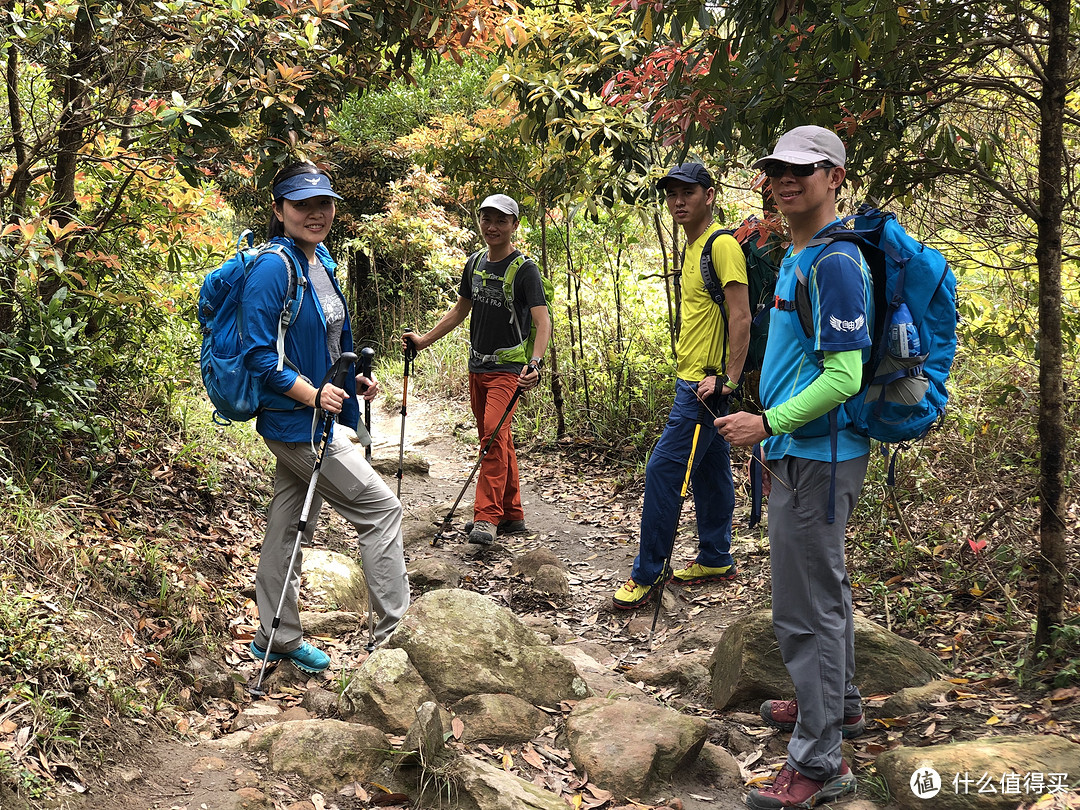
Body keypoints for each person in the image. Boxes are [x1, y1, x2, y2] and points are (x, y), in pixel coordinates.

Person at [715, 126, 871, 809]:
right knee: (820, 593)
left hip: (817, 456)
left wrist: (767, 424)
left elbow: (844, 376)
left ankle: (819, 761)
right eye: (776, 169)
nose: (785, 180)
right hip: (798, 454)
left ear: (835, 176)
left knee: (802, 612)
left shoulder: (835, 263)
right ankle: (839, 705)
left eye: (802, 170)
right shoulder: (800, 253)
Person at [242, 161, 410, 673]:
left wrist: (351, 380)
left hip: (315, 416)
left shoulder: (320, 261)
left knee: (287, 526)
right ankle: (394, 640)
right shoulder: (274, 266)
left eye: (324, 203)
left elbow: (328, 340)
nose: (316, 213)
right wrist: (314, 395)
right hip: (298, 423)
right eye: (302, 204)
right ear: (279, 210)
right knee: (381, 511)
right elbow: (258, 356)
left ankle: (277, 636)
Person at [612, 163, 750, 609]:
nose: (677, 200)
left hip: (704, 386)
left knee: (663, 471)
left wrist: (727, 379)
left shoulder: (721, 245)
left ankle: (648, 573)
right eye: (671, 193)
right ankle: (715, 556)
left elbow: (741, 315)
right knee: (711, 470)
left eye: (687, 192)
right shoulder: (693, 248)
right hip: (694, 380)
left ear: (709, 195)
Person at [404, 194, 550, 546]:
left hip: (509, 369)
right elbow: (460, 310)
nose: (492, 227)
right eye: (487, 218)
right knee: (499, 437)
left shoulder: (525, 269)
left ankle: (486, 518)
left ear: (515, 225)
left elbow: (542, 322)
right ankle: (512, 514)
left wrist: (535, 364)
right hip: (477, 365)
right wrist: (423, 340)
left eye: (501, 220)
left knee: (491, 435)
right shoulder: (475, 263)